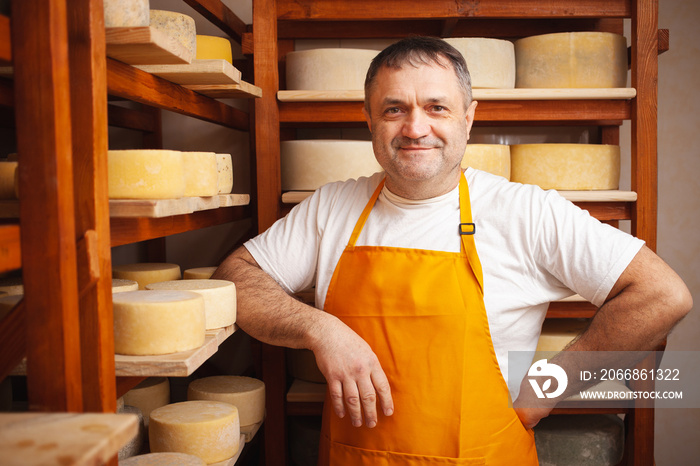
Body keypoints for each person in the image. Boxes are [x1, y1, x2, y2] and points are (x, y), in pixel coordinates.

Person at [213, 36, 692, 464]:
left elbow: (661, 294)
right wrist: (320, 330)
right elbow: (236, 277)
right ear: (369, 121)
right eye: (394, 109)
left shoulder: (522, 211)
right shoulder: (332, 206)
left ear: (469, 117)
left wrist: (551, 387)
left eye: (437, 108)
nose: (415, 128)